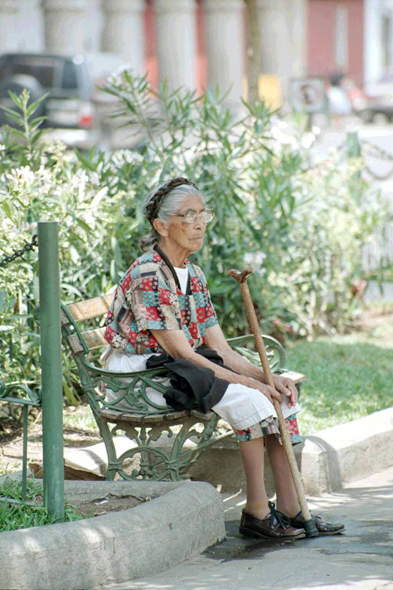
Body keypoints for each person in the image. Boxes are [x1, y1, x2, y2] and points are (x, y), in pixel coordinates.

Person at [104, 177, 344, 539]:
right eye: (188, 215)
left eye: (203, 213)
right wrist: (250, 384)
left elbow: (224, 350)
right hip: (139, 375)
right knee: (249, 398)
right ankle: (257, 513)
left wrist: (267, 377)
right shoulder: (149, 274)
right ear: (161, 226)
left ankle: (295, 509)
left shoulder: (194, 275)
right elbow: (178, 351)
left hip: (177, 366)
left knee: (280, 398)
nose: (200, 223)